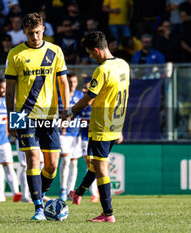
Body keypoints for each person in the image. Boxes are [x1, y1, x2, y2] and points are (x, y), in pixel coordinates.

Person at [5, 12, 70, 220]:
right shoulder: (15, 54)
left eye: (38, 32)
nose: (35, 37)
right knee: (33, 159)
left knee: (52, 166)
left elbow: (63, 83)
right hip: (24, 116)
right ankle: (39, 208)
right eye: (31, 33)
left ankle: (40, 194)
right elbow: (9, 90)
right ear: (24, 32)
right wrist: (10, 118)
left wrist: (66, 110)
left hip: (49, 116)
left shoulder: (55, 51)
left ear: (43, 29)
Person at [65, 31, 130, 222]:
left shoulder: (102, 70)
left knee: (101, 168)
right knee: (96, 163)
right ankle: (78, 192)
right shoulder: (123, 64)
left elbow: (88, 99)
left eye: (90, 53)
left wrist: (70, 112)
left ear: (96, 50)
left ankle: (108, 213)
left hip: (102, 125)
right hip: (116, 124)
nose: (90, 57)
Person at [58, 73, 83, 201]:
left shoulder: (80, 95)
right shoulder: (58, 95)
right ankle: (63, 189)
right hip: (62, 133)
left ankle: (70, 190)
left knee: (74, 163)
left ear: (77, 82)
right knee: (66, 160)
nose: (72, 84)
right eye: (70, 82)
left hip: (76, 133)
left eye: (74, 81)